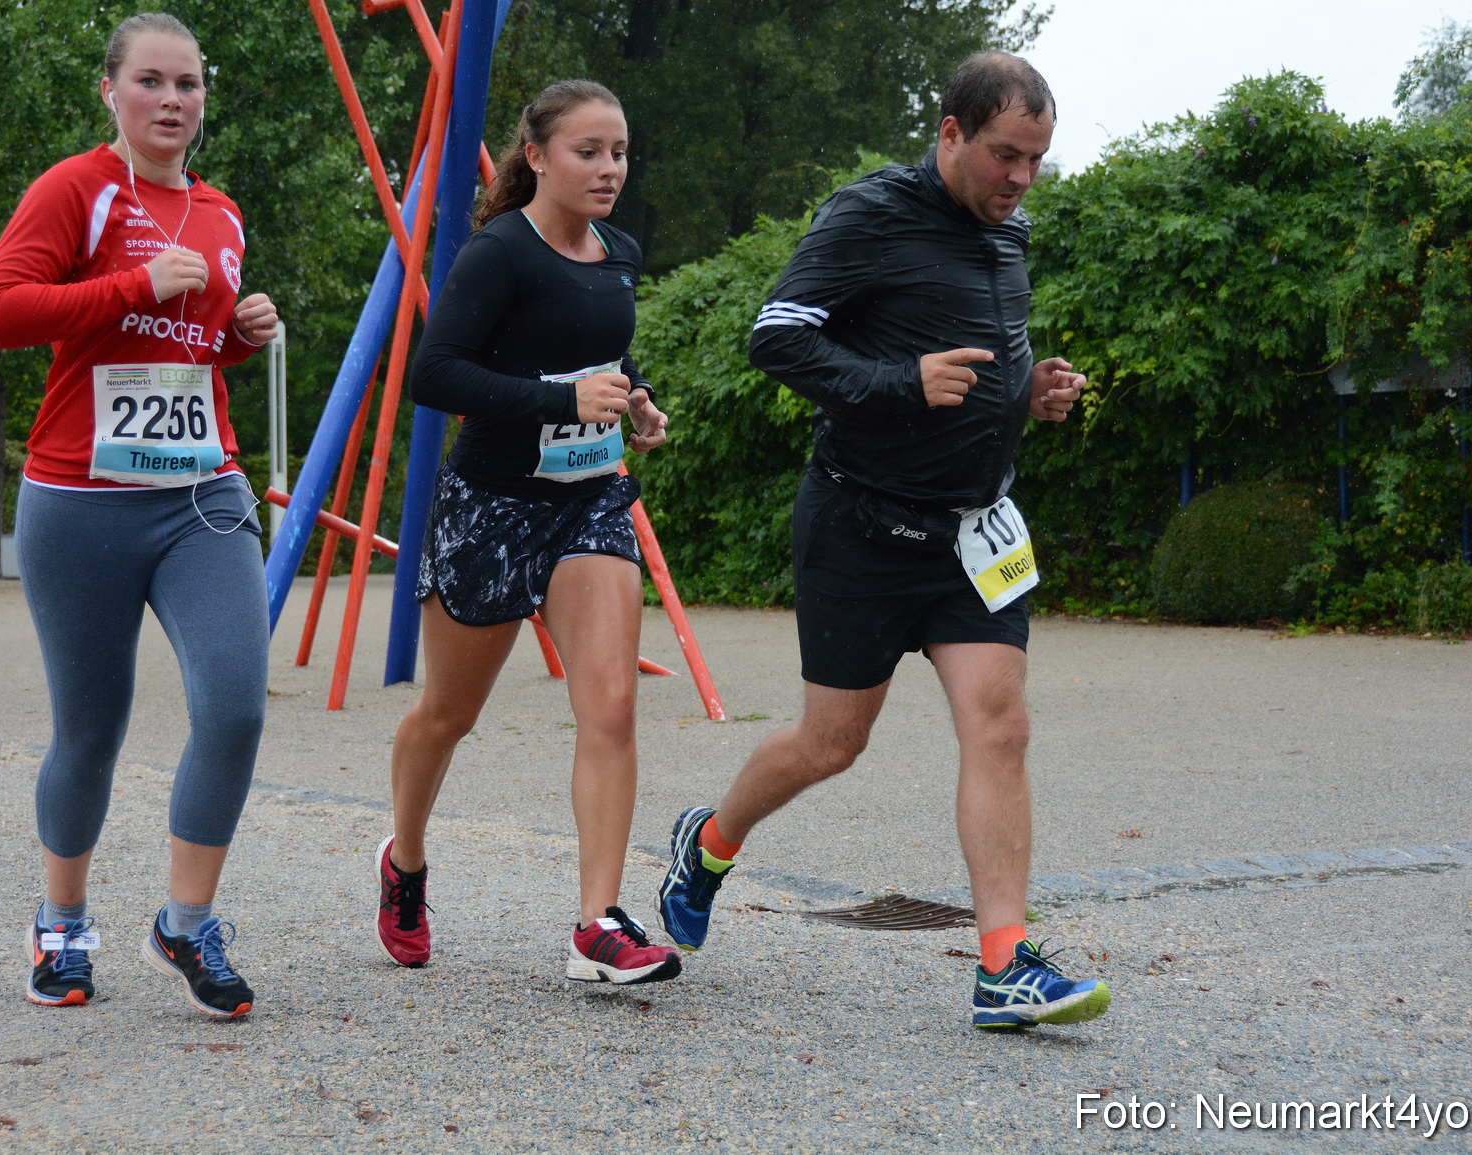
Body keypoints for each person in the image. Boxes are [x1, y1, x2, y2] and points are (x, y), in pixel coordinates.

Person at [657, 53, 1110, 1029]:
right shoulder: (869, 214)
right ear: (949, 134)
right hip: (861, 525)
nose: (1020, 179)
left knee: (1001, 723)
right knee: (829, 746)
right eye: (1003, 156)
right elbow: (774, 334)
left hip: (972, 532)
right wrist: (896, 382)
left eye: (1034, 159)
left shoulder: (1008, 229)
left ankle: (1002, 965)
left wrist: (1029, 394)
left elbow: (982, 359)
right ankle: (709, 845)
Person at [0, 13, 279, 1018]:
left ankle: (184, 927)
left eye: (188, 84)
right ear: (112, 91)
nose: (173, 101)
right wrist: (127, 285)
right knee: (91, 730)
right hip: (80, 496)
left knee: (233, 705)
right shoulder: (76, 188)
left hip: (201, 491)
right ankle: (61, 924)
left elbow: (187, 347)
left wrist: (237, 333)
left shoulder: (224, 212)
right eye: (151, 81)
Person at [375, 80, 678, 986]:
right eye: (589, 151)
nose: (610, 169)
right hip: (494, 507)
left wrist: (638, 396)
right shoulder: (497, 253)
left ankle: (597, 922)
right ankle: (405, 863)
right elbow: (438, 374)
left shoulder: (619, 251)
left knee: (612, 705)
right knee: (448, 713)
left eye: (619, 151)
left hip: (589, 501)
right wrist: (560, 400)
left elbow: (602, 355)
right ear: (537, 155)